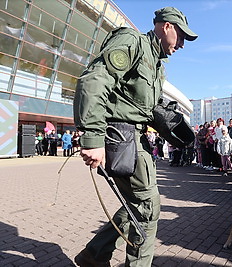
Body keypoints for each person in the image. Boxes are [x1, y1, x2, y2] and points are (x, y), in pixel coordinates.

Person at [73, 7, 197, 267]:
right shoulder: (133, 42)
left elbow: (139, 105)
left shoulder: (157, 65)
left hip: (134, 140)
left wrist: (167, 123)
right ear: (166, 27)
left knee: (137, 204)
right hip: (122, 136)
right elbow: (94, 81)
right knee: (148, 209)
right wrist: (93, 138)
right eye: (182, 36)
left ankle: (94, 254)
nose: (183, 44)